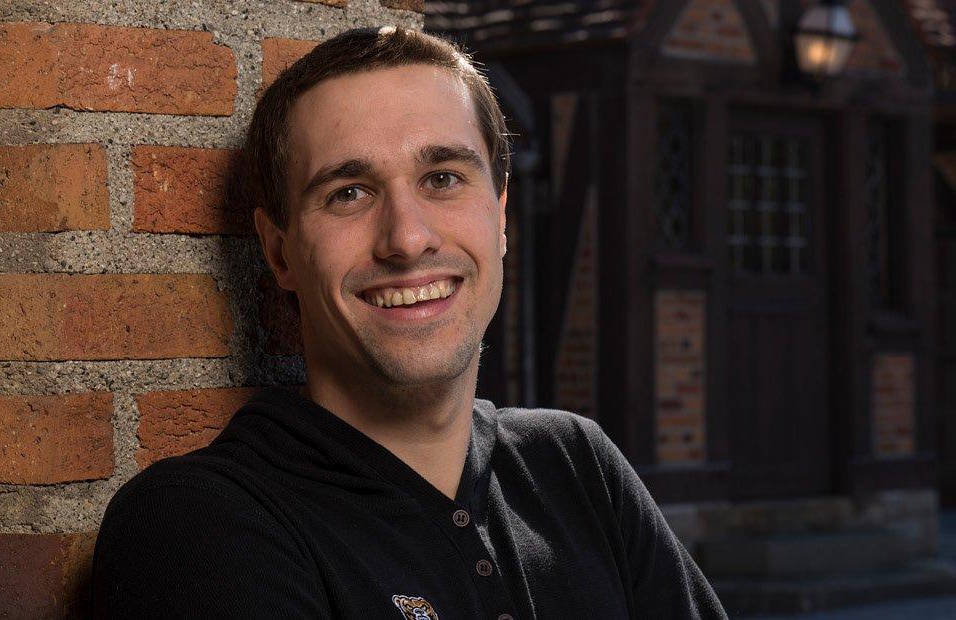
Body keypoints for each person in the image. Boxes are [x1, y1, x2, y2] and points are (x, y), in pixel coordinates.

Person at [91, 26, 727, 619]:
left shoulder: (576, 468)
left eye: (443, 178)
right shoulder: (200, 525)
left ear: (501, 218)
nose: (406, 238)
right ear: (280, 250)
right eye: (349, 192)